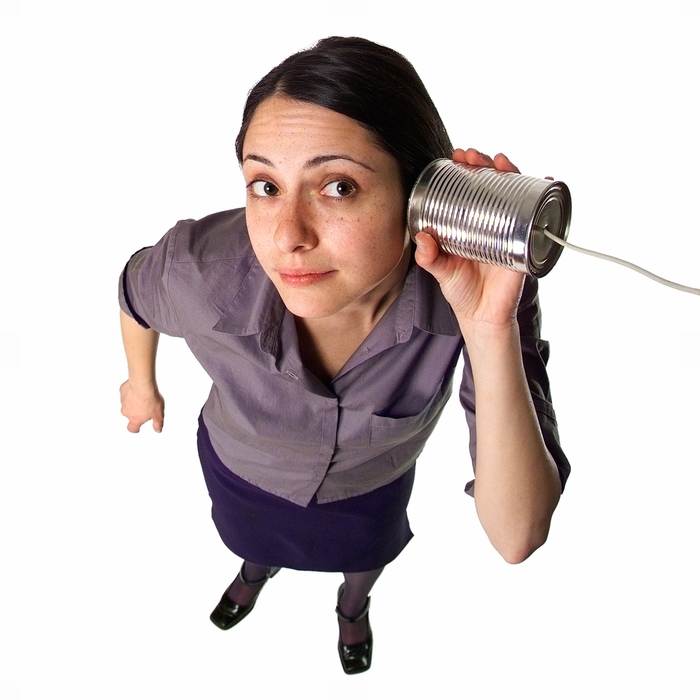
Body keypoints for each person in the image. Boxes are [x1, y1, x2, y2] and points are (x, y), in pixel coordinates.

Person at [118, 36, 570, 675]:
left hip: (370, 492)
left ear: (423, 195)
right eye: (265, 184)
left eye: (337, 186)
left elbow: (517, 535)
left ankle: (352, 609)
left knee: (364, 560)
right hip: (243, 474)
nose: (287, 236)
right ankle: (253, 572)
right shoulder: (200, 267)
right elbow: (135, 295)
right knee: (251, 543)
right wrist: (141, 383)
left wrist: (489, 325)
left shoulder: (475, 295)